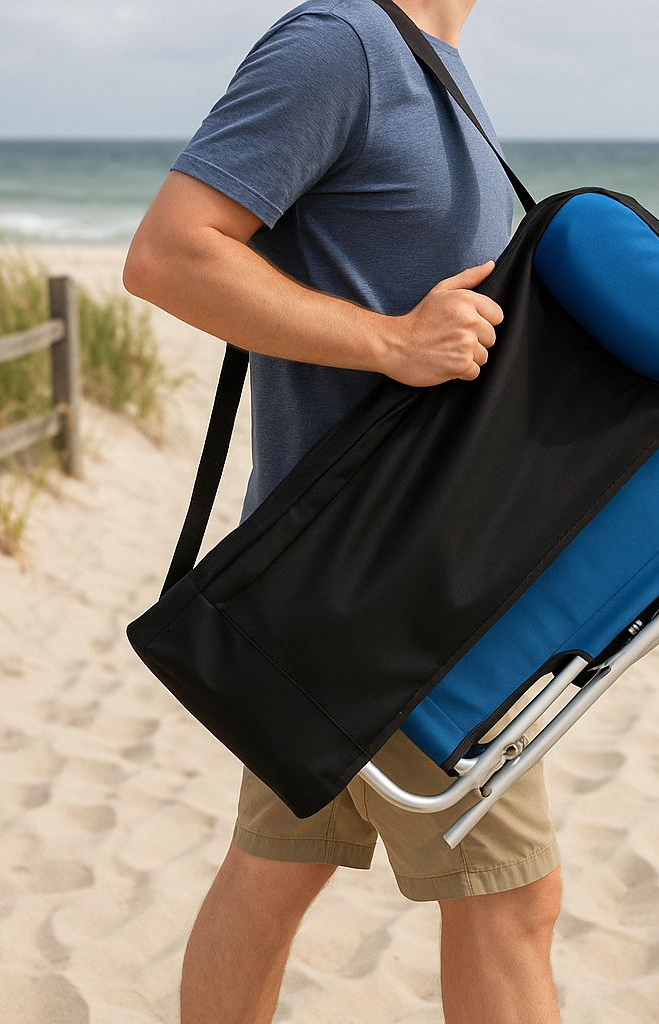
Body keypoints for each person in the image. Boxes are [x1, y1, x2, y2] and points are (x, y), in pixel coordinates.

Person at [123, 1, 562, 1021]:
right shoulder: (341, 44)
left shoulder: (434, 62)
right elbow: (171, 253)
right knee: (512, 898)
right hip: (378, 578)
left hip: (342, 575)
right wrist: (391, 342)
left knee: (276, 869)